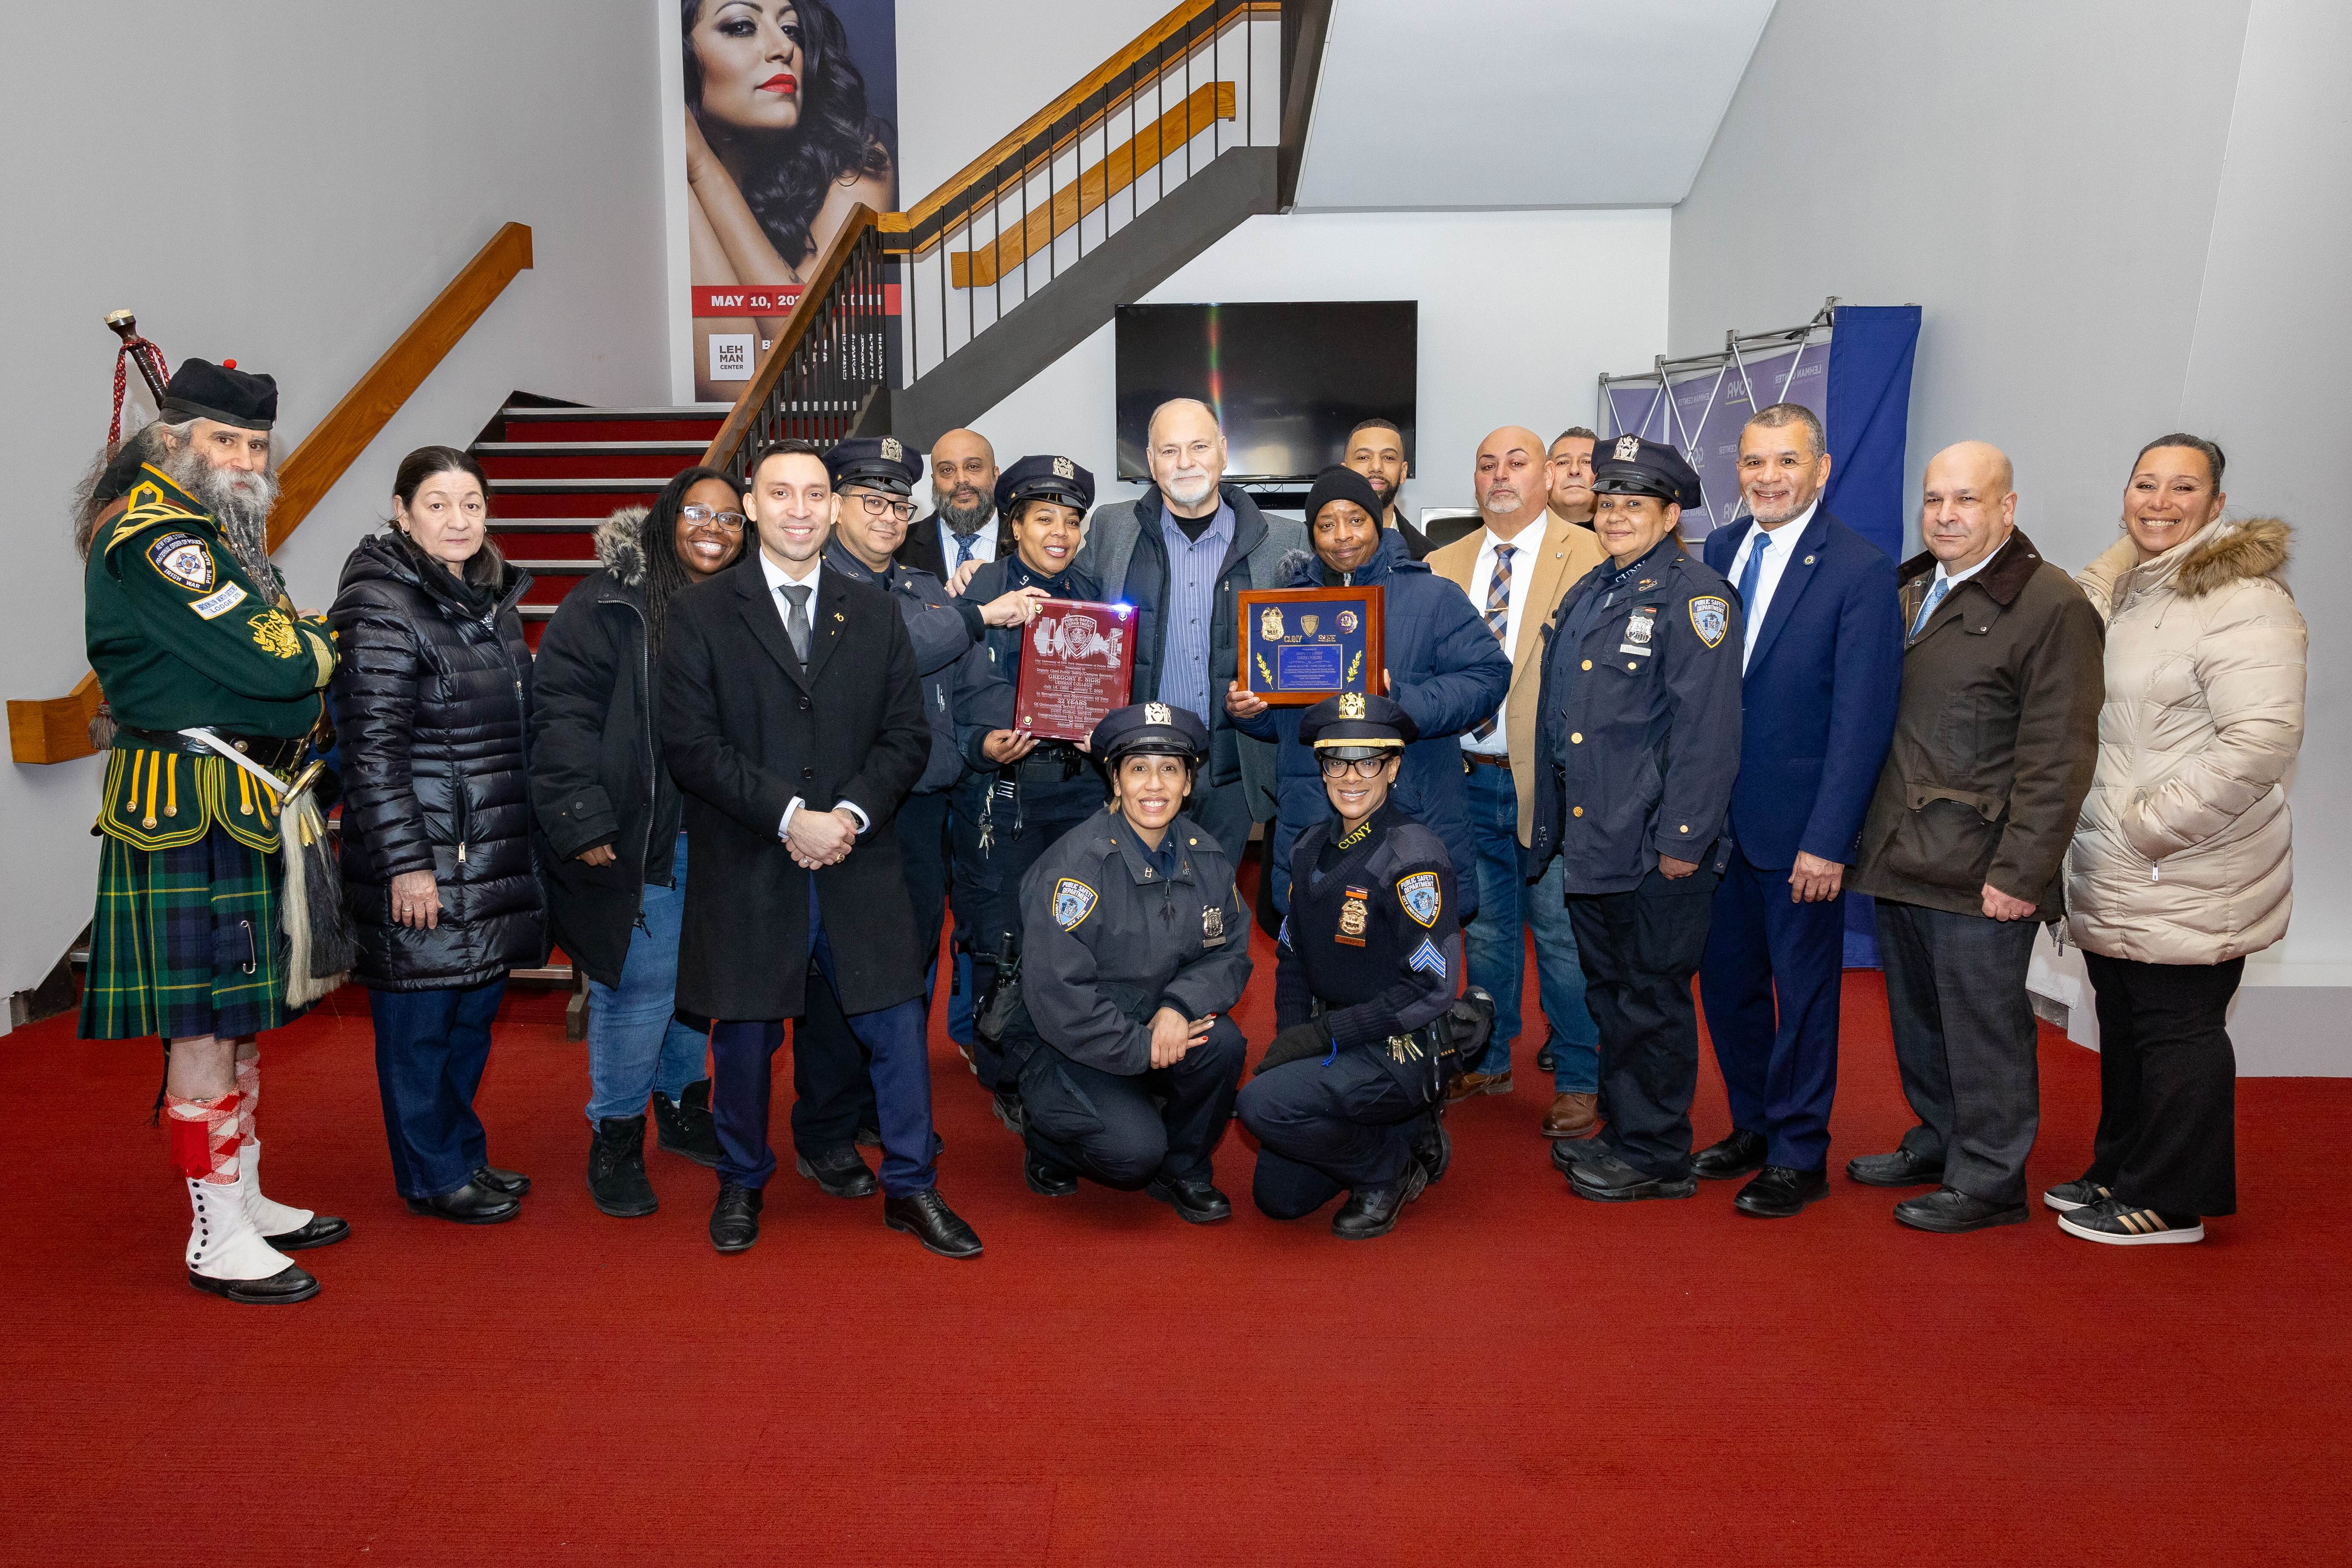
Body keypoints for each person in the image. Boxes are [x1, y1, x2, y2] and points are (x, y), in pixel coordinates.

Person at [661, 438, 981, 1259]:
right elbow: (691, 744)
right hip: (752, 857)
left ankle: (913, 1186)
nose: (799, 510)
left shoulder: (870, 608)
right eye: (781, 494)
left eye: (813, 494)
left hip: (857, 855)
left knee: (897, 1027)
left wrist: (849, 815)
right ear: (753, 507)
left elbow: (906, 735)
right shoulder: (699, 612)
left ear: (834, 506)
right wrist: (791, 815)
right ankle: (741, 1180)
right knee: (743, 1042)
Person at [77, 357, 346, 1304]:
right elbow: (283, 664)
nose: (243, 458)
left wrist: (294, 645)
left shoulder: (210, 532)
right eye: (224, 441)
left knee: (237, 1013)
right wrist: (313, 646)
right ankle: (215, 1231)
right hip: (183, 803)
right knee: (199, 1025)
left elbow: (271, 647)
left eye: (256, 445)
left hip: (228, 792)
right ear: (169, 443)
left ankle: (247, 1196)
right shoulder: (159, 540)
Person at [1847, 442, 2103, 1234]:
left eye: (1966, 499)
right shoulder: (1913, 586)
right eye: (1934, 500)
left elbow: (2058, 754)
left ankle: (1990, 1177)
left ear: (2007, 507)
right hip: (1903, 849)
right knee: (1920, 1018)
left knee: (1983, 1025)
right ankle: (1941, 1137)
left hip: (1981, 863)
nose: (1946, 514)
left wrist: (2022, 870)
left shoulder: (2051, 605)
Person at [2054, 435, 2304, 1245]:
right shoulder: (2134, 589)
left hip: (2186, 860)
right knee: (2125, 1023)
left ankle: (2170, 1199)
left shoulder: (2244, 601)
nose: (2159, 502)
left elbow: (2260, 741)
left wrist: (2150, 828)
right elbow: (2077, 608)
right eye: (2144, 486)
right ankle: (2121, 1167)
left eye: (2182, 488)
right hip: (2123, 866)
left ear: (2218, 505)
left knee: (2179, 1031)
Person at [788, 437, 1042, 1198]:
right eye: (872, 501)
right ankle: (825, 1128)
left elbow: (969, 689)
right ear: (834, 507)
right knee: (838, 979)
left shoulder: (926, 585)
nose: (890, 515)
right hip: (851, 820)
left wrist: (986, 738)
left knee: (905, 974)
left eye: (900, 503)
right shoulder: (818, 588)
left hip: (927, 811)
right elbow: (888, 644)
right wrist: (972, 615)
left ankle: (877, 1106)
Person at [1691, 405, 1902, 1217]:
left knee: (1805, 996)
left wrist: (1828, 840)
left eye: (1785, 461)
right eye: (1752, 462)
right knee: (1729, 988)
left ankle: (1798, 1151)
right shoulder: (1718, 549)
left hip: (1799, 835)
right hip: (1716, 827)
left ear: (1821, 469)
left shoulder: (1858, 569)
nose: (1767, 477)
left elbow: (1861, 719)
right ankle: (1750, 1124)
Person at [333, 447, 547, 1225]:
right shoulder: (381, 602)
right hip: (425, 856)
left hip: (487, 852)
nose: (458, 521)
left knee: (470, 1016)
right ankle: (431, 1173)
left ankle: (462, 1151)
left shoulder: (488, 597)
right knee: (420, 1025)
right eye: (437, 504)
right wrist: (406, 866)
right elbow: (371, 750)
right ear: (400, 510)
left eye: (471, 505)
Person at [1528, 436, 1743, 1203]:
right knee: (1612, 991)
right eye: (1608, 503)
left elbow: (1708, 732)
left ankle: (1655, 1151)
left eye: (1634, 505)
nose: (1616, 517)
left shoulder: (1696, 596)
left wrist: (1684, 840)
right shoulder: (1596, 587)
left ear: (1670, 512)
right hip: (1594, 838)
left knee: (1650, 998)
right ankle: (1624, 1129)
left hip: (1655, 847)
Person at [529, 467, 745, 1219]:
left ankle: (683, 1109)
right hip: (637, 835)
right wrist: (583, 817)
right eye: (697, 513)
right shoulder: (605, 602)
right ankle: (614, 1134)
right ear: (665, 517)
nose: (713, 528)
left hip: (723, 839)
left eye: (729, 517)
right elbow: (560, 716)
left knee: (699, 988)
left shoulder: (744, 606)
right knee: (639, 989)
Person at [1225, 465, 1509, 920]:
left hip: (1414, 805)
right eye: (1326, 524)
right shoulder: (1284, 607)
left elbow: (1489, 676)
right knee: (1318, 951)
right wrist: (1250, 710)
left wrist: (1403, 698)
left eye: (1356, 520)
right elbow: (1283, 716)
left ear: (1376, 523)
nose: (1342, 536)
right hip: (1314, 808)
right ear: (1311, 532)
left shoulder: (1434, 595)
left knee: (1415, 954)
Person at [1003, 703, 1250, 1221]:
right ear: (1114, 781)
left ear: (1189, 784)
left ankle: (1184, 1170)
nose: (1153, 785)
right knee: (1132, 1154)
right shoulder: (1077, 869)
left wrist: (1182, 1007)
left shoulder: (1207, 857)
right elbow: (1059, 997)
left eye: (1170, 769)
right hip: (1072, 1044)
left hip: (1158, 1024)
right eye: (1138, 769)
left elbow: (1229, 950)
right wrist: (1142, 1048)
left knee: (1224, 1043)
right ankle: (1046, 1138)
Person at [1428, 427, 1606, 1130]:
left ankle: (1581, 1071)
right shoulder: (1441, 564)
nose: (1500, 474)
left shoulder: (1593, 554)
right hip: (1464, 777)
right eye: (1486, 463)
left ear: (1547, 475)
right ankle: (1489, 1057)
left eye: (1516, 461)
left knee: (1562, 936)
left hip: (1557, 786)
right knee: (1489, 929)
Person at [1236, 693, 1460, 1239]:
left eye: (1369, 762)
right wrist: (1295, 1041)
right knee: (1279, 1199)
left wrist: (1321, 1038)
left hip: (1397, 1044)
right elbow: (1291, 956)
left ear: (1394, 767)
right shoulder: (1309, 846)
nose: (1351, 777)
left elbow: (1431, 987)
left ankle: (1389, 1170)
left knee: (1260, 1107)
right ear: (1322, 768)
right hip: (1333, 1039)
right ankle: (1402, 1132)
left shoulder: (1413, 856)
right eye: (1337, 762)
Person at [951, 454, 1116, 1123]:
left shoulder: (1095, 593)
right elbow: (950, 696)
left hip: (1077, 794)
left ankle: (1068, 1057)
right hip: (1002, 795)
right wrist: (982, 743)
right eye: (1043, 517)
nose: (1060, 532)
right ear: (1013, 523)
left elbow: (1111, 689)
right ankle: (1009, 1076)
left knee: (1074, 932)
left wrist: (1104, 734)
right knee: (1003, 940)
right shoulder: (975, 593)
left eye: (1071, 521)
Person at [1078, 398, 1307, 865]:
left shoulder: (1287, 540)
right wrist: (989, 578)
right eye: (1169, 451)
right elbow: (1066, 601)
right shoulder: (1110, 528)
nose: (1185, 463)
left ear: (1223, 451)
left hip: (1232, 767)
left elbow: (1312, 642)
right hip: (1141, 761)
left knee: (1213, 909)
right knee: (1136, 909)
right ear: (1149, 460)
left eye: (1199, 446)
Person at [681, 0, 896, 400]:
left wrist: (701, 167)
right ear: (678, 59)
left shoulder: (857, 164)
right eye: (742, 26)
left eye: (791, 28)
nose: (783, 47)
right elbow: (734, 380)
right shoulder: (643, 191)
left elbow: (807, 355)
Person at [901, 427, 1005, 587]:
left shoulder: (1028, 542)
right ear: (934, 480)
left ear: (995, 475)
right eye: (947, 470)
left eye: (973, 467)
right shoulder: (901, 546)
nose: (961, 480)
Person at [1342, 416, 1434, 561]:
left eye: (1388, 458)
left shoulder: (1430, 557)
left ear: (1403, 473)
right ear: (1344, 472)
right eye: (1364, 458)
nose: (1376, 467)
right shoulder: (1304, 545)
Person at [1545, 427, 1599, 529]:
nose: (1574, 471)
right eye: (1563, 463)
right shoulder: (1522, 530)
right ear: (1547, 473)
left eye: (1587, 462)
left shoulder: (1628, 536)